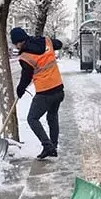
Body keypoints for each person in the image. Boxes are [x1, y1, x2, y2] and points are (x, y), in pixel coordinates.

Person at [10, 27, 64, 159]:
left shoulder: (25, 56)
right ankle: (53, 146)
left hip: (45, 92)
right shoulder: (46, 41)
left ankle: (48, 146)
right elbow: (59, 44)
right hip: (58, 89)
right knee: (52, 117)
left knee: (32, 119)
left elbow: (26, 76)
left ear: (18, 43)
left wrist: (20, 89)